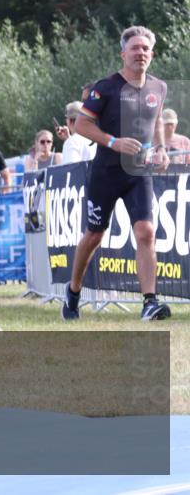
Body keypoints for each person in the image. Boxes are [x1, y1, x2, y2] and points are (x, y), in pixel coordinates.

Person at [62, 25, 170, 322]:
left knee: (146, 232)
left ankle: (149, 301)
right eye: (135, 48)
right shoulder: (106, 87)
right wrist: (113, 141)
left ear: (152, 54)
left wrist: (160, 148)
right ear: (123, 54)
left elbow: (157, 119)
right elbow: (82, 125)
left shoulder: (158, 87)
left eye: (145, 49)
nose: (140, 53)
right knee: (94, 235)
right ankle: (73, 291)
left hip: (138, 172)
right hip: (106, 171)